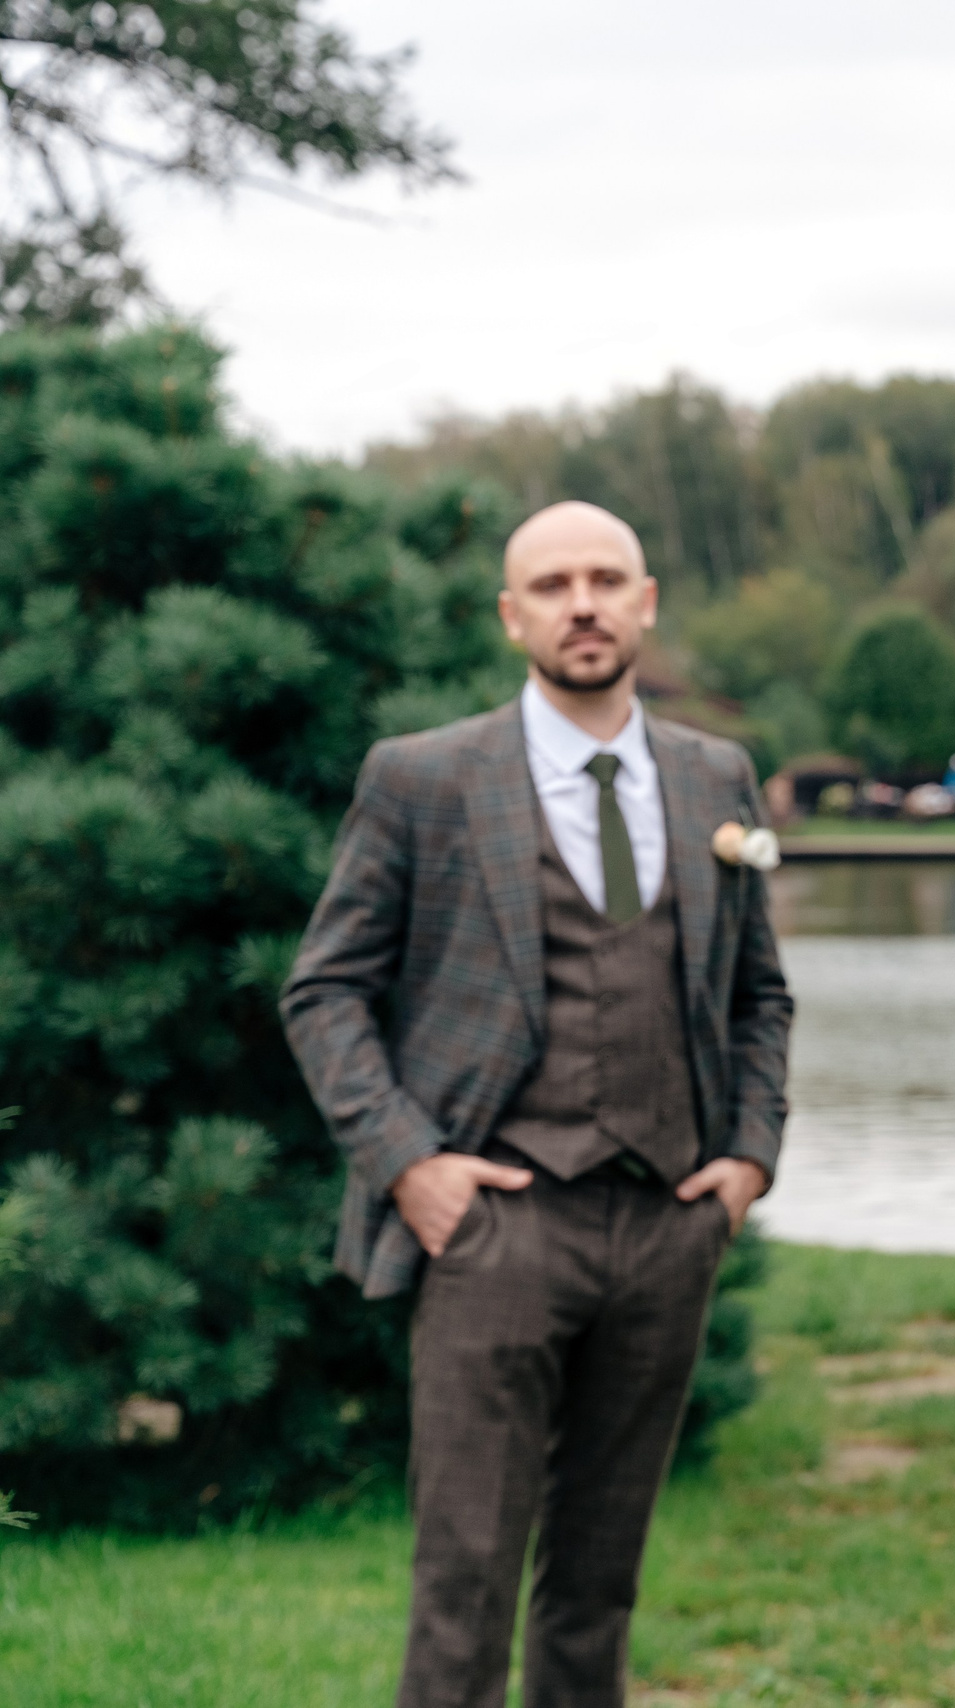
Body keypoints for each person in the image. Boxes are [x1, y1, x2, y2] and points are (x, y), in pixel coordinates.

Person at [281, 500, 793, 1708]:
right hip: (494, 1229)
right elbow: (325, 991)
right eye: (552, 584)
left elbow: (758, 995)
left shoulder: (714, 773)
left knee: (599, 1584)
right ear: (513, 614)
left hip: (668, 1222)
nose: (582, 602)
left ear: (646, 600)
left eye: (606, 577)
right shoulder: (423, 777)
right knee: (463, 1582)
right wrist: (412, 1164)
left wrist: (747, 1163)